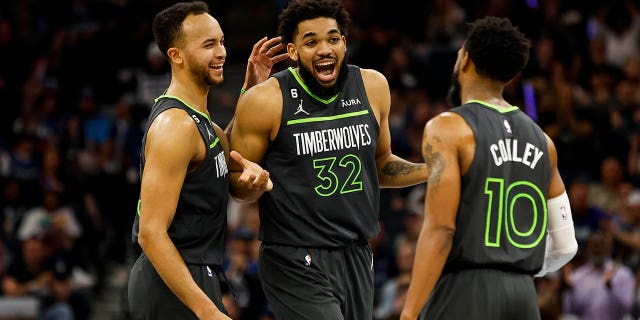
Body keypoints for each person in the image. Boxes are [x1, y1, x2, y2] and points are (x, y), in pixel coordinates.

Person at [228, 0, 428, 318]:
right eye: (311, 42)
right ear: (292, 52)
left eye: (332, 39)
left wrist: (432, 169)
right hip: (294, 256)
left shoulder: (373, 86)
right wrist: (252, 183)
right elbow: (237, 186)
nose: (324, 49)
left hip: (357, 252)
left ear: (344, 43)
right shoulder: (265, 99)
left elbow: (380, 165)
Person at [400, 17, 578, 320]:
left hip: (466, 290)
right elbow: (565, 245)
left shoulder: (448, 127)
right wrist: (516, 265)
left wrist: (409, 313)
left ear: (465, 58)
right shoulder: (544, 142)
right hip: (523, 295)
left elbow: (441, 230)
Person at [127, 2, 287, 320]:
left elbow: (223, 149)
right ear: (176, 55)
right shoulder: (175, 125)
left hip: (198, 272)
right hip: (170, 280)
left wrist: (251, 89)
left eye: (222, 41)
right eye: (209, 44)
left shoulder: (203, 125)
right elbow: (150, 232)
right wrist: (208, 312)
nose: (222, 52)